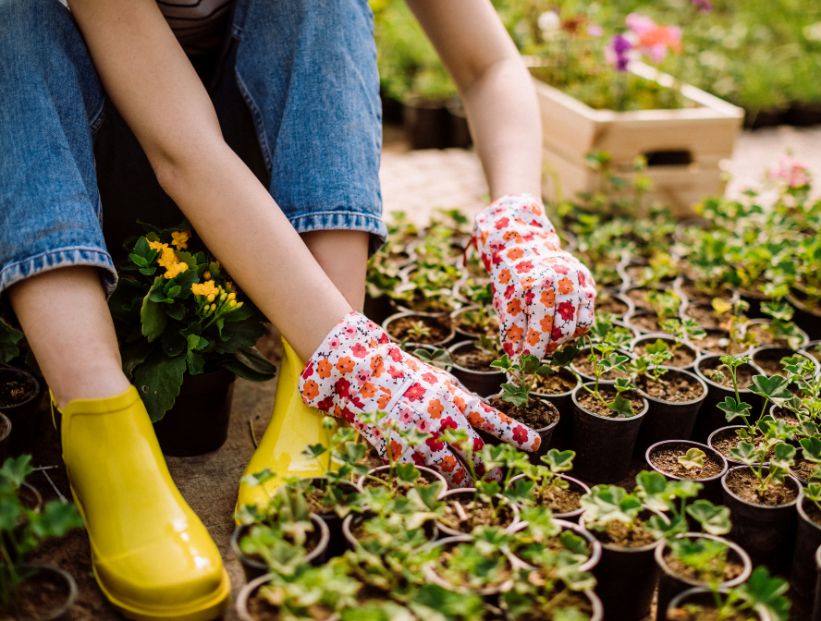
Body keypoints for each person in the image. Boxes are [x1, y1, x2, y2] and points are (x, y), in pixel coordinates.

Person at [0, 0, 595, 618]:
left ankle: (316, 389)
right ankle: (97, 417)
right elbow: (181, 148)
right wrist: (356, 360)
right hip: (86, 185)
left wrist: (517, 219)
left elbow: (489, 62)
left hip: (269, 194)